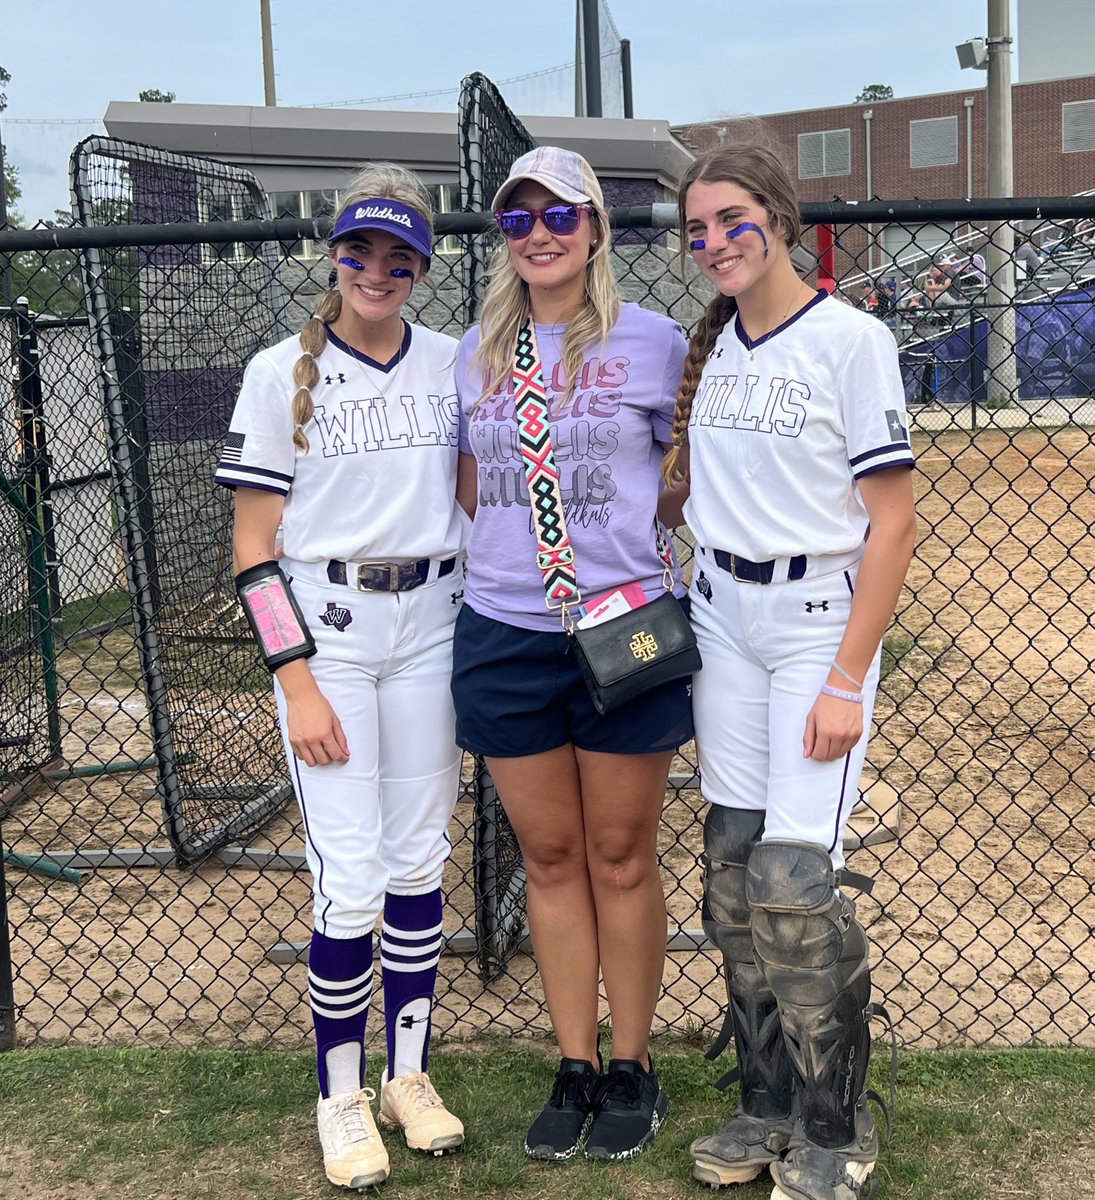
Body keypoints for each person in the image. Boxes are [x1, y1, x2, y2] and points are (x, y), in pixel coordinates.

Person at [661, 143, 916, 1200]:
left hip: (815, 623)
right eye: (697, 230)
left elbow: (893, 524)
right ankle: (766, 1099)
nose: (715, 242)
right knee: (731, 876)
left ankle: (834, 1119)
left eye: (733, 219)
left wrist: (848, 679)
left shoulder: (851, 341)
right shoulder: (714, 347)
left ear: (779, 214)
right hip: (725, 621)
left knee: (795, 886)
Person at [214, 164, 467, 1191]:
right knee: (350, 875)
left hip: (434, 625)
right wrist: (297, 678)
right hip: (332, 632)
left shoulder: (454, 362)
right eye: (360, 249)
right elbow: (251, 547)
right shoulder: (280, 371)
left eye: (399, 255)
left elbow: (483, 498)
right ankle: (339, 1094)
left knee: (418, 863)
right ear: (334, 253)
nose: (377, 269)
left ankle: (408, 1075)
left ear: (420, 267)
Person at [451, 145, 692, 1163]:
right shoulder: (476, 350)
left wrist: (625, 539)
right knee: (548, 858)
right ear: (503, 236)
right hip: (507, 631)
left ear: (594, 227)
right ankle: (574, 1062)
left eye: (560, 216)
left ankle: (633, 1065)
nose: (540, 234)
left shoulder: (654, 342)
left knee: (620, 856)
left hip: (625, 626)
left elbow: (681, 477)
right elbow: (470, 482)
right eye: (519, 219)